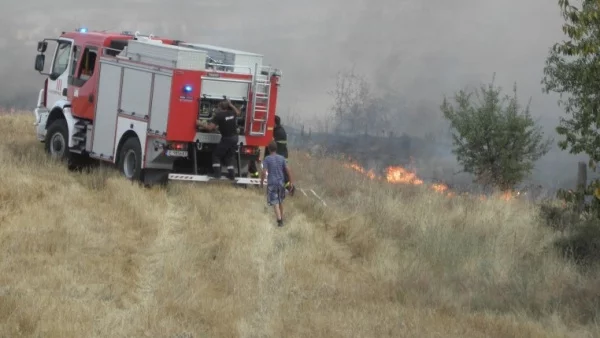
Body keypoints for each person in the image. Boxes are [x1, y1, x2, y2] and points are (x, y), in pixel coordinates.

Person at [197, 99, 240, 180]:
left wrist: (199, 123)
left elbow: (210, 128)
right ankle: (232, 175)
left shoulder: (219, 116)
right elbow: (238, 112)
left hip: (227, 139)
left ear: (220, 107)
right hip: (235, 138)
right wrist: (231, 105)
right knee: (228, 157)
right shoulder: (232, 113)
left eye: (218, 107)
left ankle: (217, 174)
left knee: (216, 155)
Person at [260, 140, 293, 227]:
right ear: (276, 148)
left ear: (269, 149)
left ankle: (279, 221)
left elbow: (264, 172)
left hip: (272, 183)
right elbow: (288, 170)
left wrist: (261, 182)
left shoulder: (267, 159)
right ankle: (281, 218)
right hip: (281, 183)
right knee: (280, 201)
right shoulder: (282, 158)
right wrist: (290, 182)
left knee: (275, 202)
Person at [262, 115, 294, 195]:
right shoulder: (280, 130)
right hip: (282, 154)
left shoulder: (277, 132)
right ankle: (288, 188)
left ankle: (289, 188)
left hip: (280, 155)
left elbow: (271, 145)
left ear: (274, 123)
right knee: (283, 172)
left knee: (283, 173)